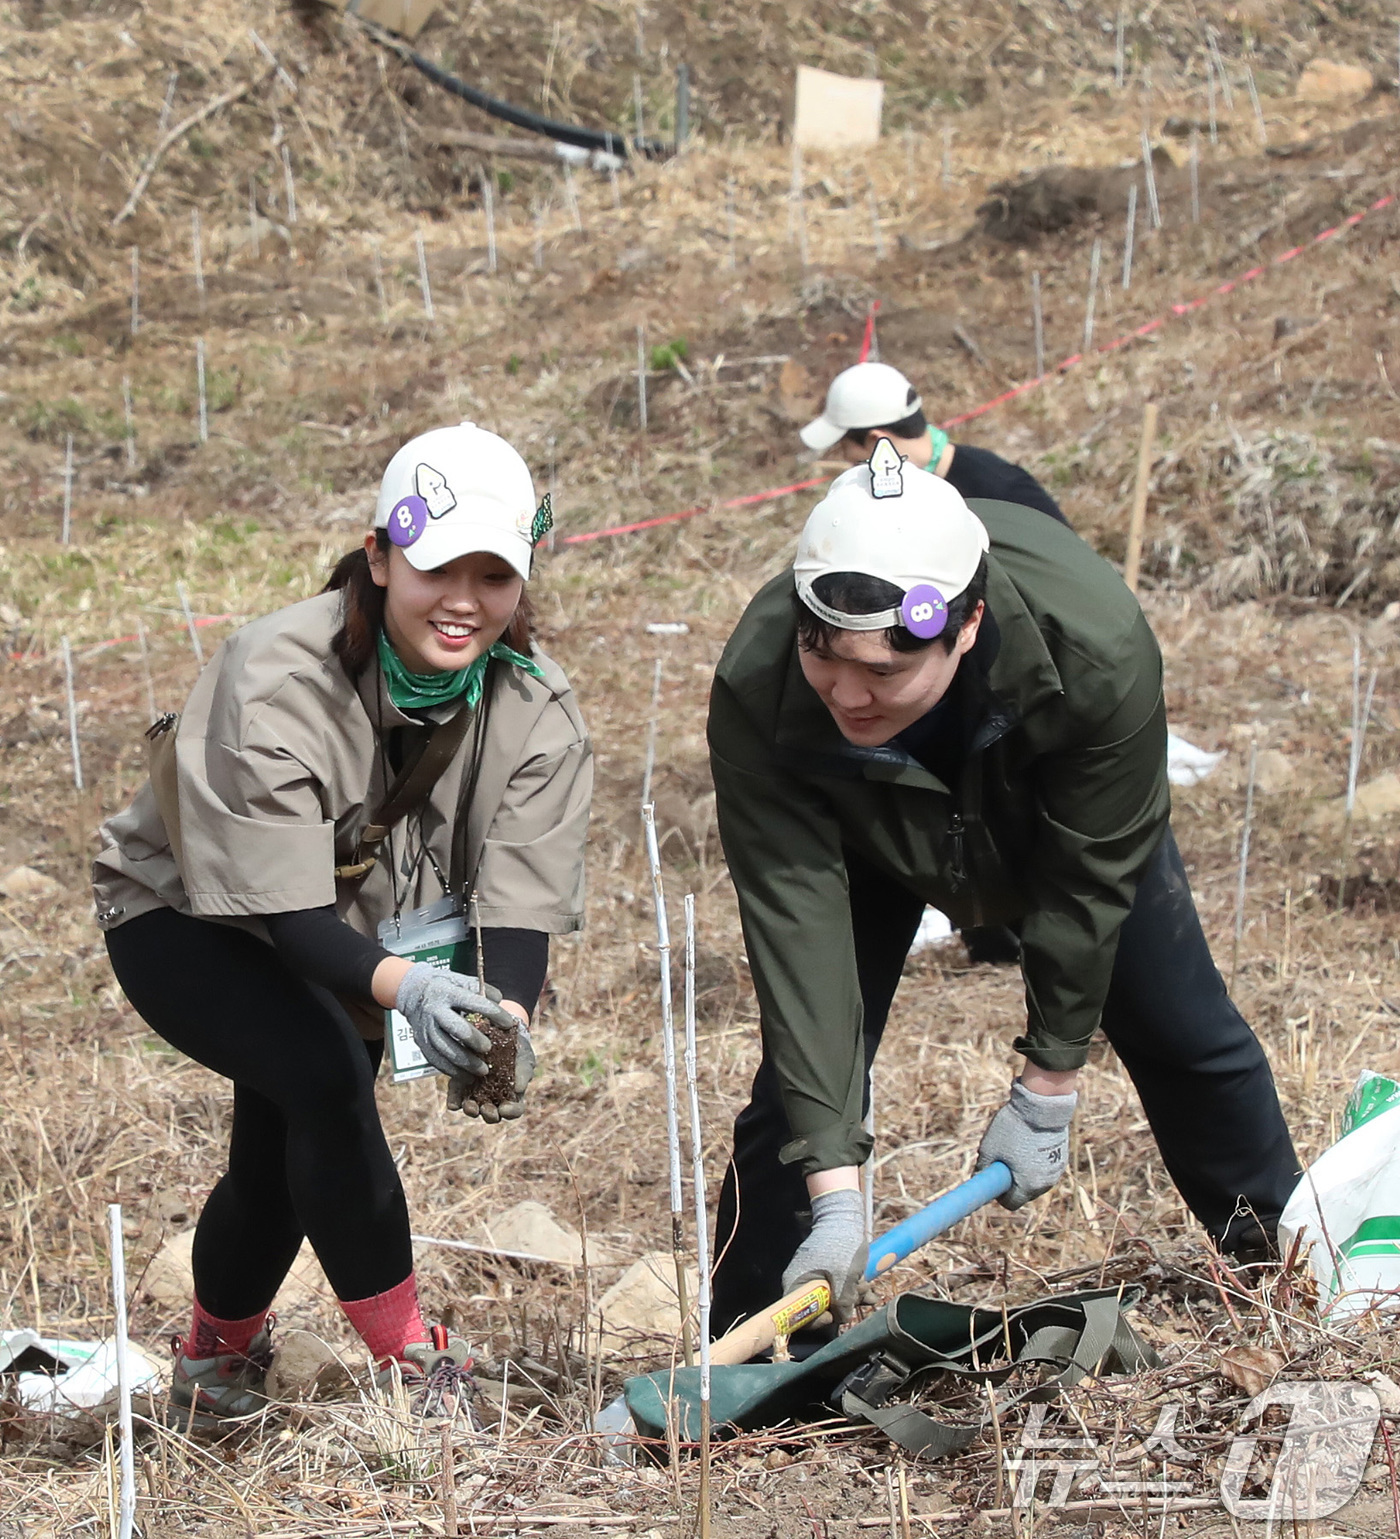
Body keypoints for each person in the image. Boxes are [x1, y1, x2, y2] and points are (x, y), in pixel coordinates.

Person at [705, 444, 1298, 1340]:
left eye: (884, 672)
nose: (848, 694)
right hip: (862, 823)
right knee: (798, 1091)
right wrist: (835, 1192)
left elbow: (1090, 880)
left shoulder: (1093, 645)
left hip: (1047, 800)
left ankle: (1281, 1272)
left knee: (1180, 1026)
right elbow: (798, 931)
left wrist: (1048, 1083)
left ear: (967, 623)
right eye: (827, 659)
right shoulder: (763, 684)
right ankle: (754, 1354)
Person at [94, 422, 592, 1425]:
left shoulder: (535, 710)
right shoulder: (277, 672)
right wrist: (415, 989)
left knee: (278, 1148)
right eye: (438, 566)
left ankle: (211, 1363)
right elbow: (285, 917)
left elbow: (520, 900)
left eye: (494, 575)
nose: (465, 599)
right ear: (379, 555)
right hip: (185, 913)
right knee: (324, 1074)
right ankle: (414, 1367)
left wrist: (503, 1015)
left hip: (351, 934)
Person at [800, 360, 1070, 527]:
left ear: (876, 443)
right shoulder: (905, 500)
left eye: (854, 460)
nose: (854, 471)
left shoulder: (1005, 493)